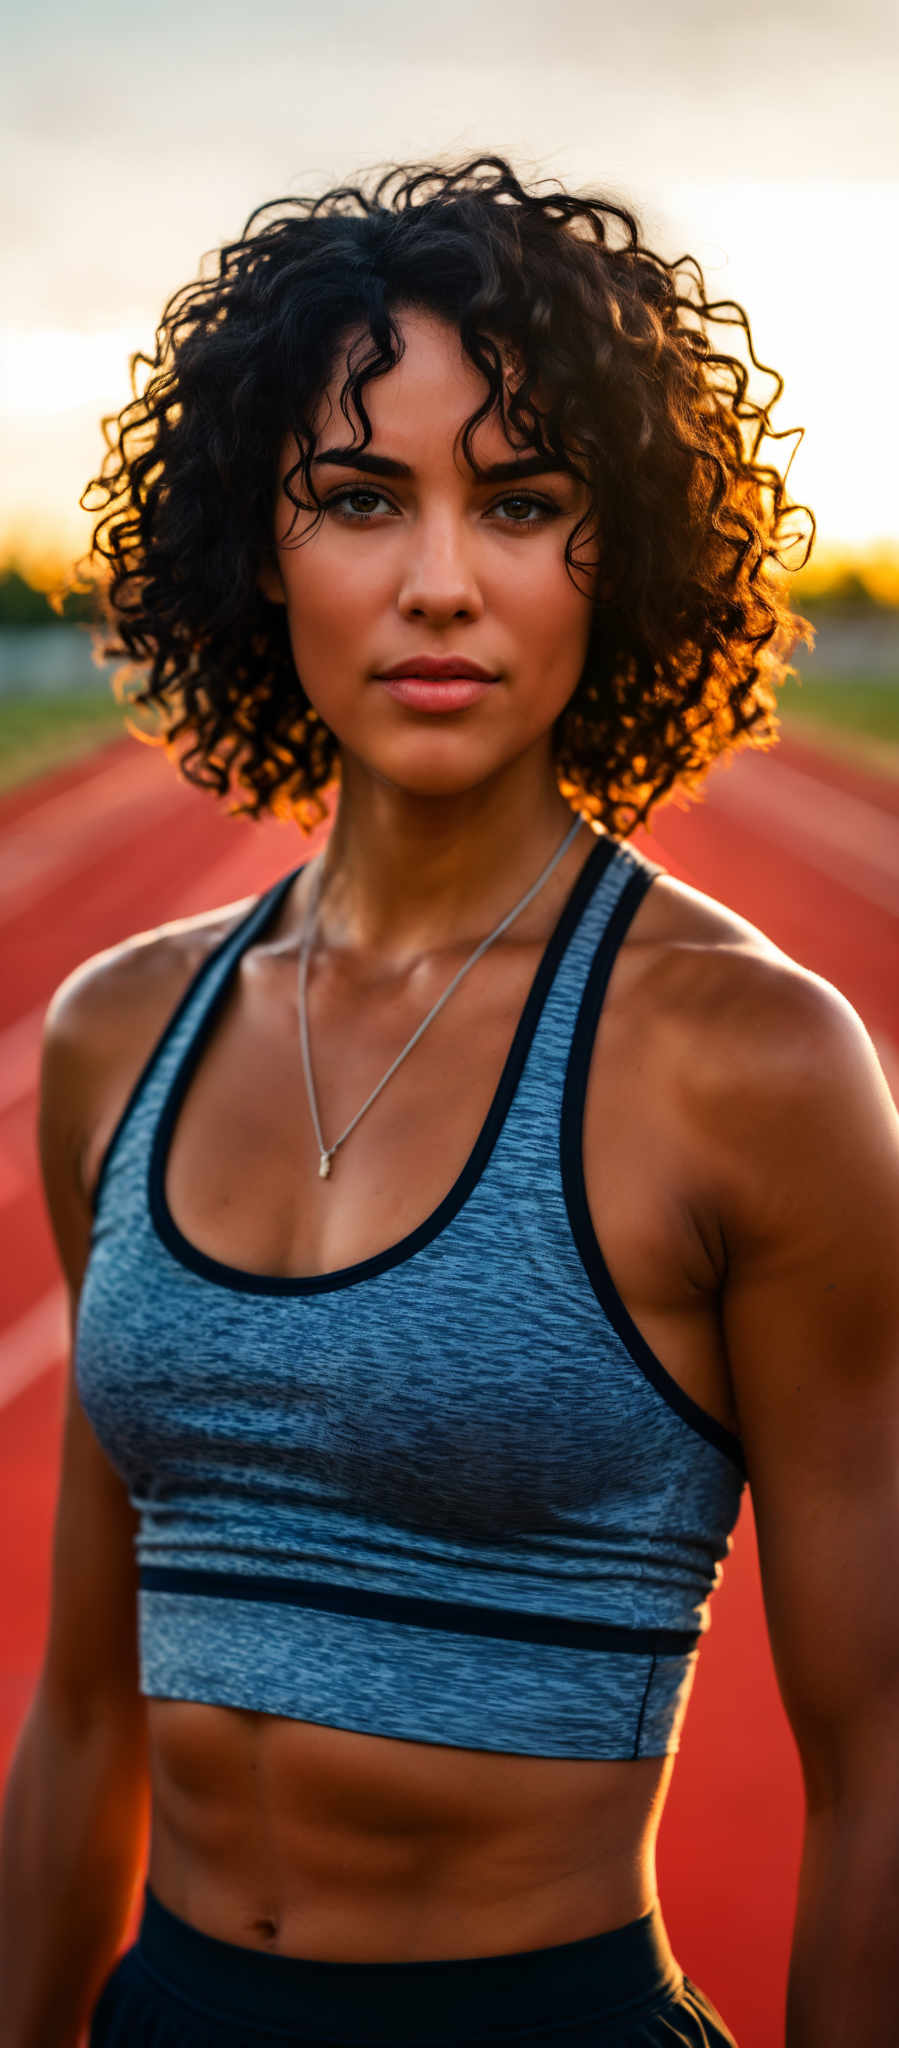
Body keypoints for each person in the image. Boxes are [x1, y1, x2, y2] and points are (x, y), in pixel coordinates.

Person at [1, 157, 897, 2048]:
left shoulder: (752, 1062)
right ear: (261, 546)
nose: (437, 582)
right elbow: (83, 1714)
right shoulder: (115, 1034)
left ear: (618, 549)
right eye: (355, 497)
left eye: (520, 502)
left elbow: (883, 1761)